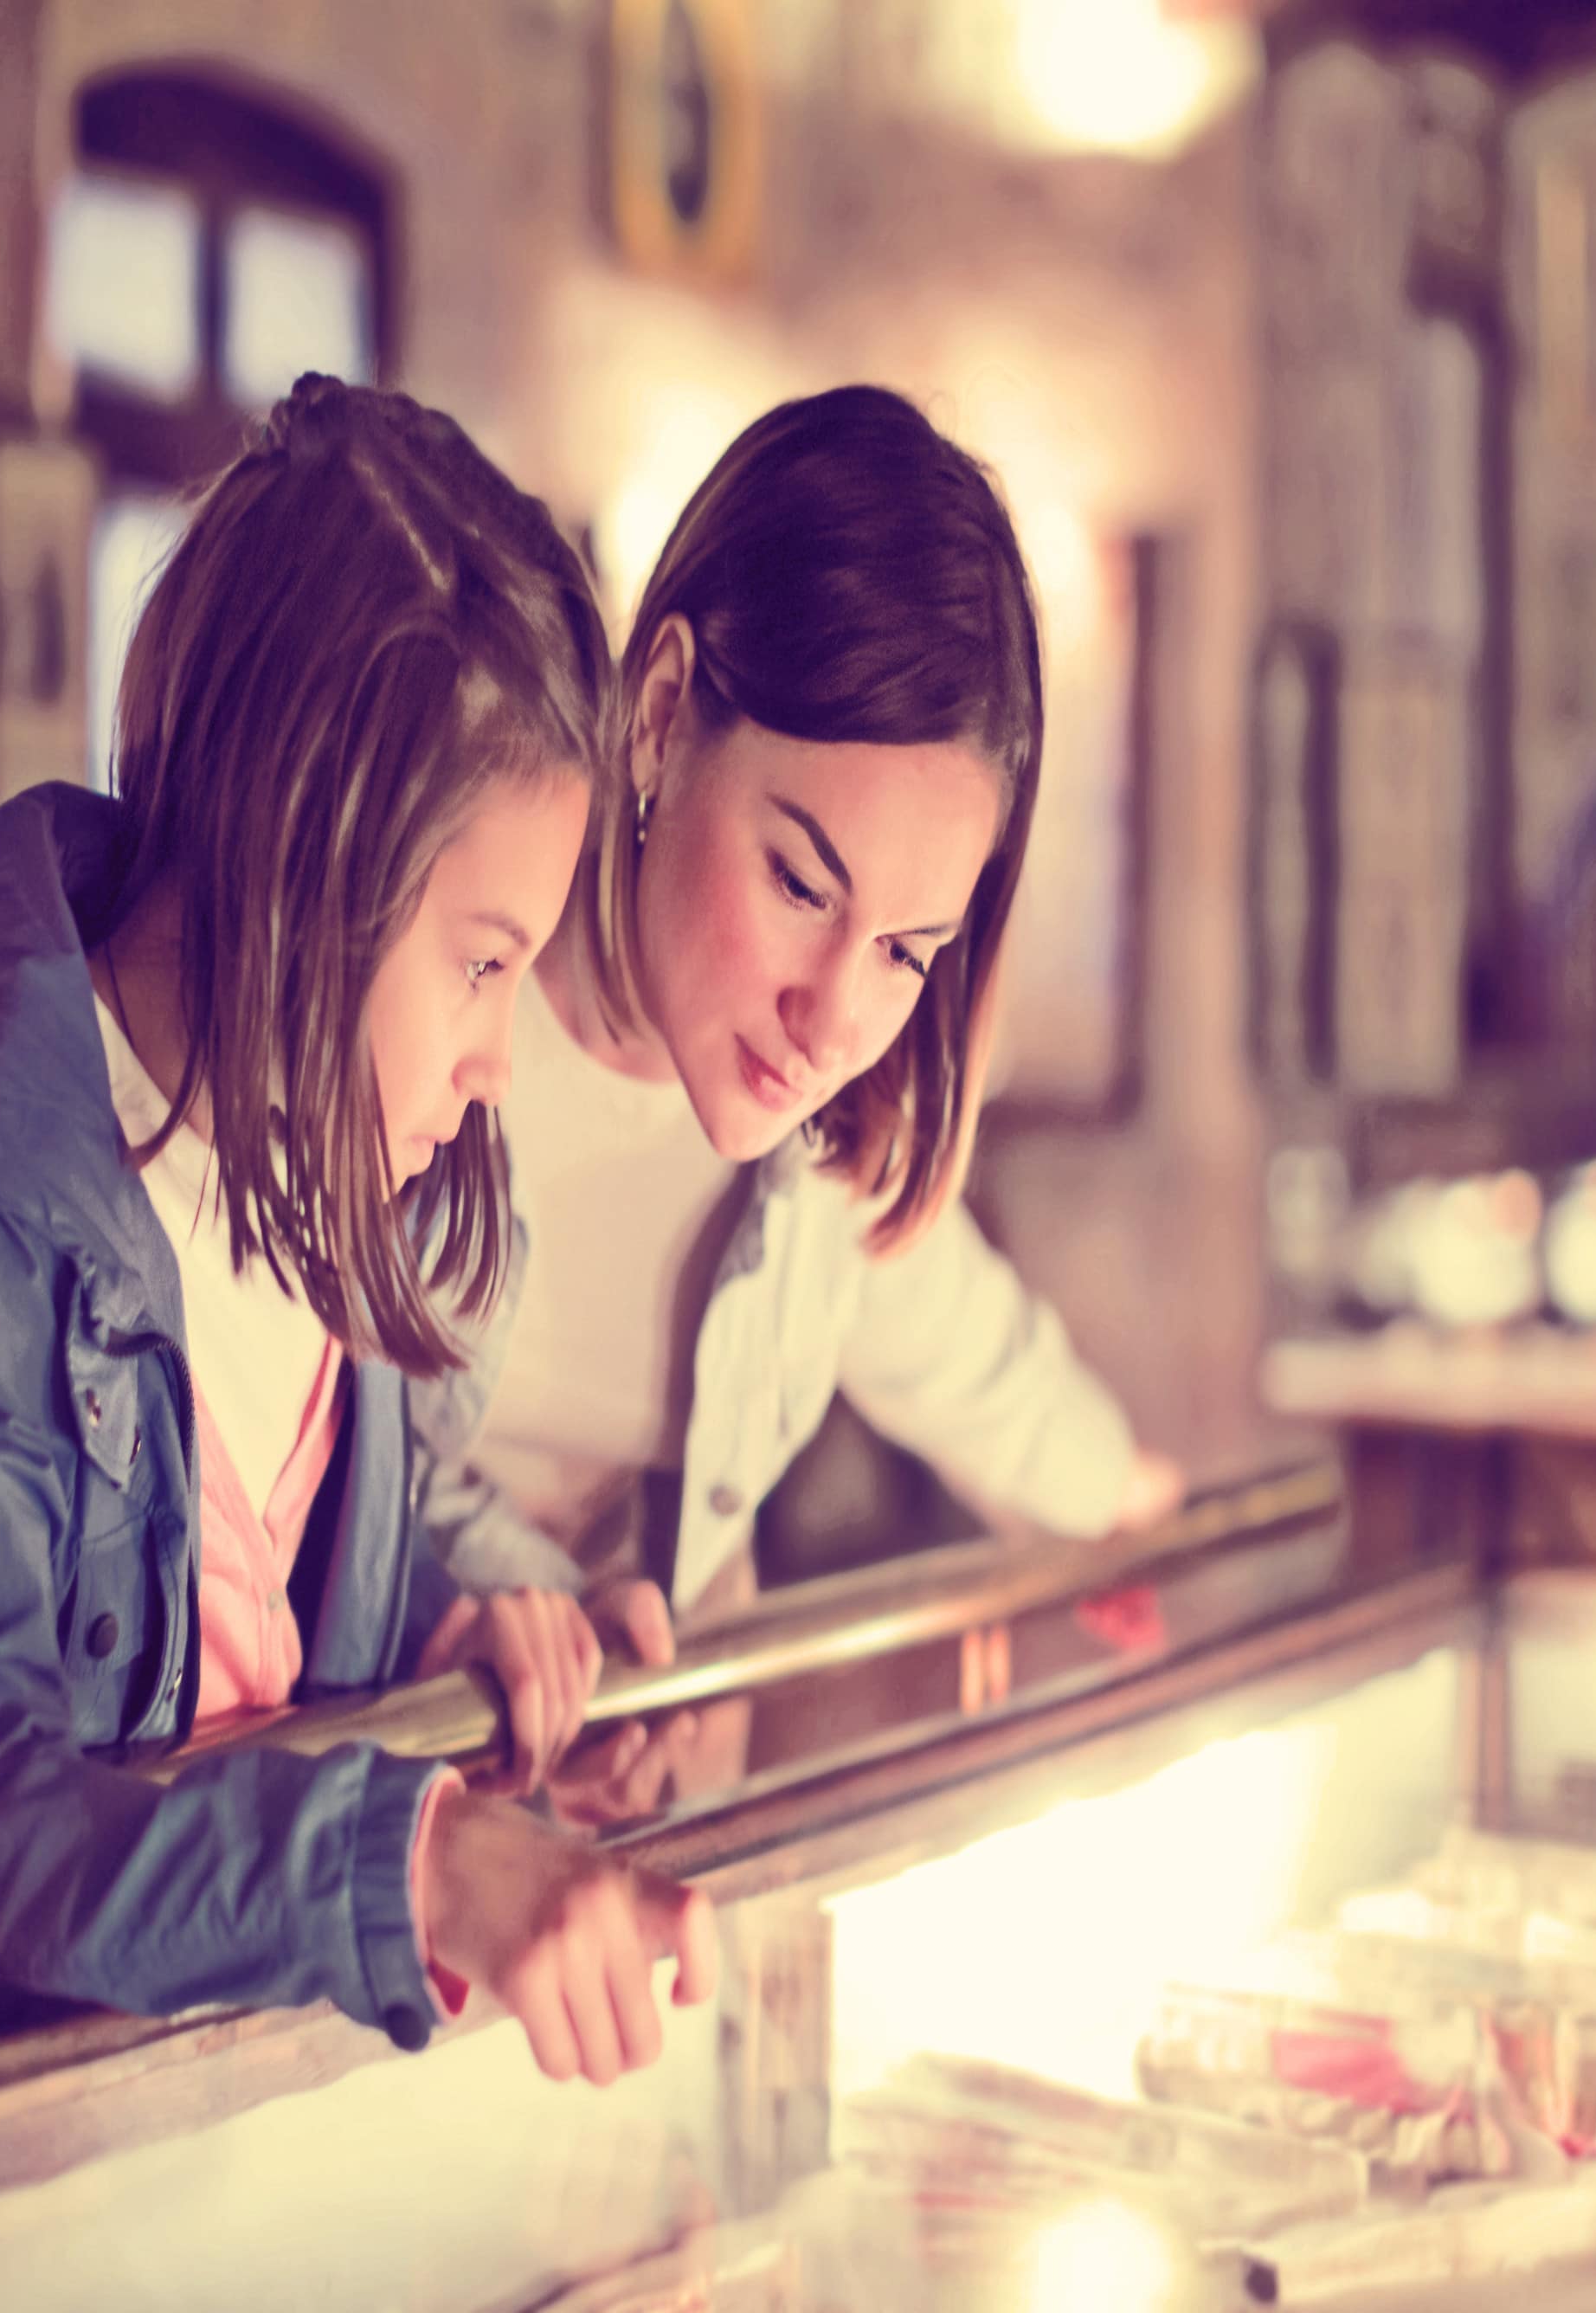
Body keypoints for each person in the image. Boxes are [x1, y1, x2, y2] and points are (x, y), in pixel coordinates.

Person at [0, 377, 712, 2091]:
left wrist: (457, 1636)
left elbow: (264, 1618)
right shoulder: (5, 1205)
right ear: (307, 869)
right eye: (484, 960)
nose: (504, 1062)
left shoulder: (361, 1175)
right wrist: (411, 1861)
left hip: (219, 2117)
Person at [410, 384, 1186, 1817]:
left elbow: (977, 1359)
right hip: (371, 1877)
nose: (835, 1019)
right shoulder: (421, 1017)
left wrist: (1133, 1517)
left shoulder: (831, 1159)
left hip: (630, 1884)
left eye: (904, 951)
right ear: (657, 717)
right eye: (800, 883)